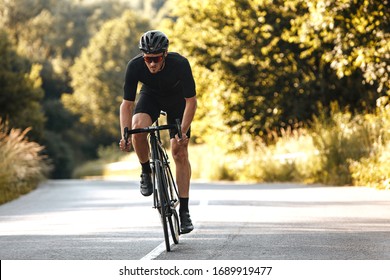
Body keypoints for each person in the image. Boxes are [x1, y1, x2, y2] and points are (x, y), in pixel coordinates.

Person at [119, 30, 197, 234]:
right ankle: (146, 170)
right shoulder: (134, 66)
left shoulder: (180, 63)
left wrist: (182, 131)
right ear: (143, 56)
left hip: (177, 101)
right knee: (137, 127)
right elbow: (127, 106)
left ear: (165, 54)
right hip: (151, 97)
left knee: (179, 151)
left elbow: (191, 101)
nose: (152, 63)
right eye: (148, 59)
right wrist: (124, 134)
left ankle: (184, 212)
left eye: (156, 59)